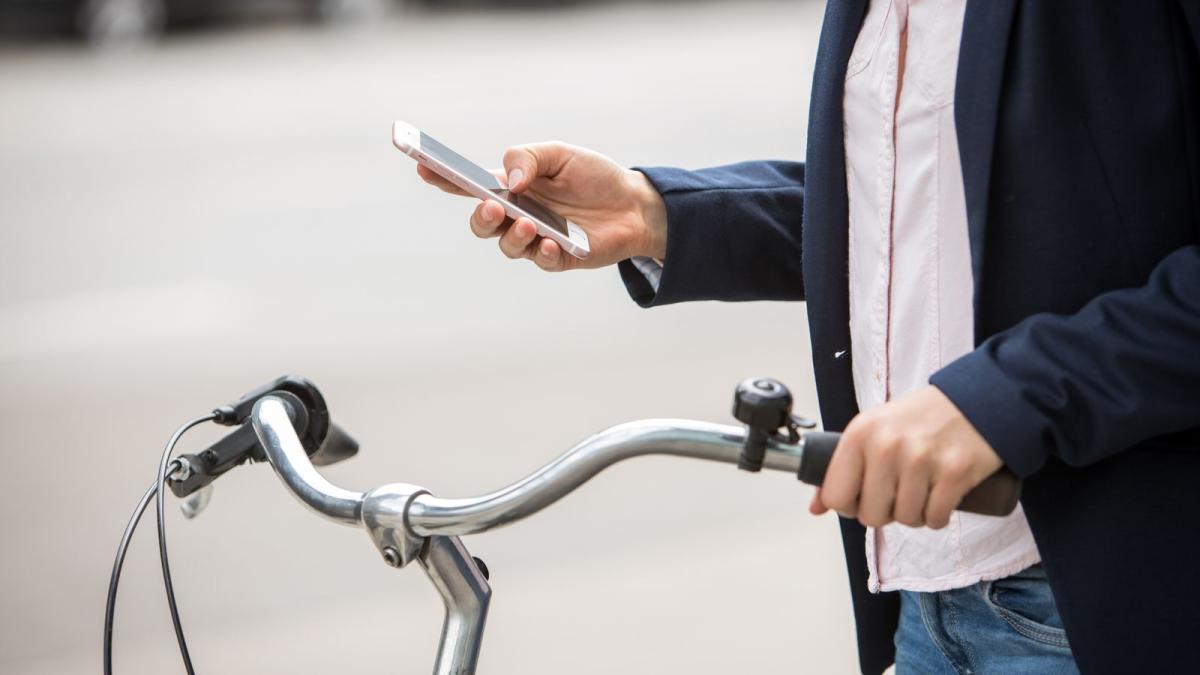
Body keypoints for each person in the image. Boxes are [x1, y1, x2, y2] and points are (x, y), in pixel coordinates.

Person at [418, 1, 1200, 673]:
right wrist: (658, 212)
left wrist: (1003, 398)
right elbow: (910, 209)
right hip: (923, 606)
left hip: (1103, 601)